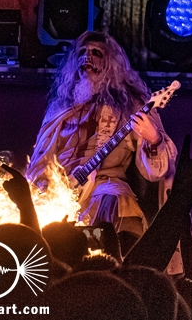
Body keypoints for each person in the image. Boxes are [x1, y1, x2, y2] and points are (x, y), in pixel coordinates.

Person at [26, 31, 177, 237]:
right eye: (82, 52)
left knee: (116, 205)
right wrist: (44, 186)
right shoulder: (59, 107)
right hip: (61, 187)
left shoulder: (130, 106)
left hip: (105, 185)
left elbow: (158, 169)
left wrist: (154, 139)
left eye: (96, 53)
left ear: (111, 64)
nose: (87, 58)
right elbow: (41, 160)